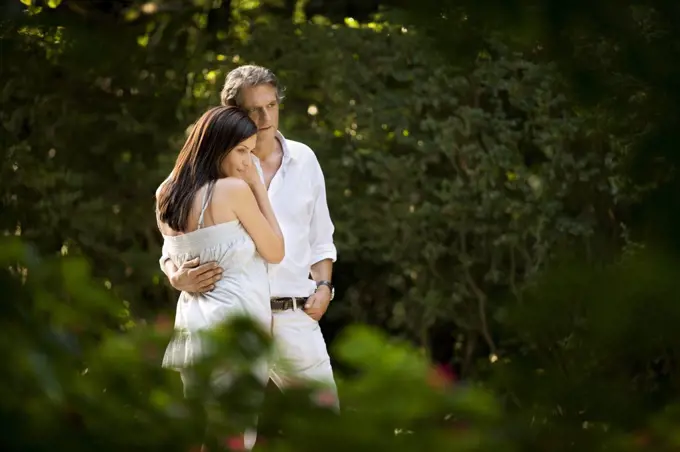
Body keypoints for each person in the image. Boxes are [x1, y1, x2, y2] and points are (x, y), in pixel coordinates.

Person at [159, 65, 339, 409]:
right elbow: (174, 234)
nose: (265, 116)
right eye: (254, 109)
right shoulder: (201, 173)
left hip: (293, 316)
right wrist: (175, 274)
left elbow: (321, 236)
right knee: (232, 431)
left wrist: (325, 286)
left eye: (271, 105)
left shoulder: (304, 159)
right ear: (232, 111)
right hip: (231, 320)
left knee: (325, 424)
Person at [155, 106, 285, 449]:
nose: (247, 162)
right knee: (233, 434)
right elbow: (275, 250)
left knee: (197, 428)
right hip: (236, 323)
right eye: (241, 151)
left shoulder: (165, 194)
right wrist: (258, 186)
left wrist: (174, 277)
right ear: (216, 145)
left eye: (251, 152)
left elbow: (168, 255)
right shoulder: (232, 190)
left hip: (193, 323)